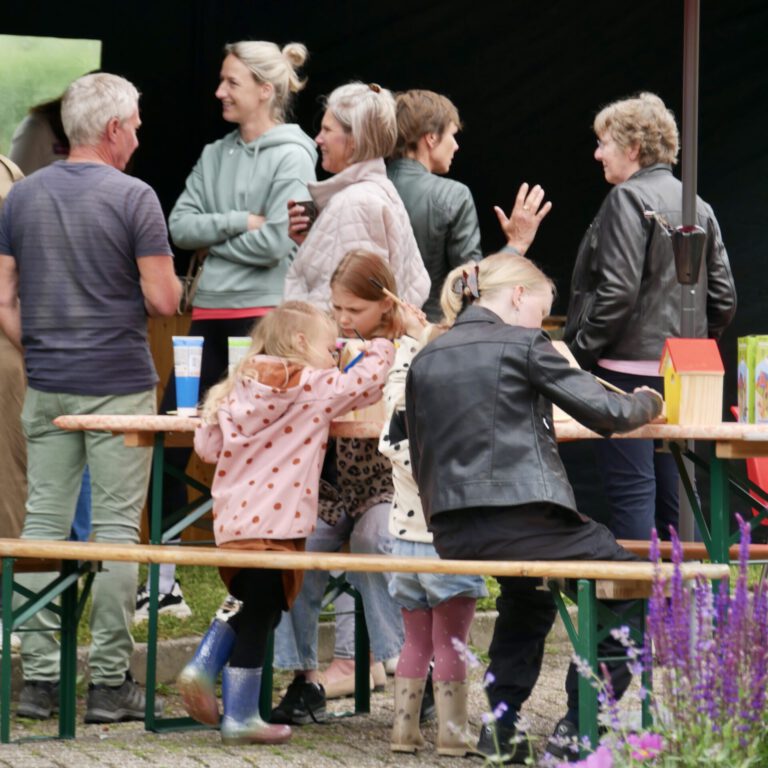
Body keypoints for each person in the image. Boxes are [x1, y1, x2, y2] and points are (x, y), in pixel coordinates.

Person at [405, 242, 665, 763]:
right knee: (635, 585)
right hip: (522, 518)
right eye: (541, 312)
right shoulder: (523, 344)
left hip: (452, 531)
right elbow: (606, 412)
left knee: (528, 596)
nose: (540, 323)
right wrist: (649, 400)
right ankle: (577, 728)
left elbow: (416, 446)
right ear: (518, 296)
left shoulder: (427, 354)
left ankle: (501, 728)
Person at [0, 73, 181, 722]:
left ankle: (40, 682)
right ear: (112, 130)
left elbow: (1, 298)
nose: (137, 135)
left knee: (42, 528)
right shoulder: (136, 197)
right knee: (113, 535)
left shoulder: (21, 197)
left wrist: (44, 341)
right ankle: (109, 684)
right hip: (119, 384)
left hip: (47, 384)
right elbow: (164, 300)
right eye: (133, 125)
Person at [135, 40, 318, 618]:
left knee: (260, 443)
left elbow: (276, 245)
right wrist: (241, 220)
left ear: (266, 90)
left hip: (264, 317)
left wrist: (229, 240)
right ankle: (159, 581)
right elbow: (179, 225)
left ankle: (260, 573)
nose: (219, 92)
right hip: (206, 315)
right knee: (170, 430)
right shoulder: (215, 153)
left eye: (230, 82)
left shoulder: (295, 154)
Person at [179, 301, 394, 745]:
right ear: (300, 343)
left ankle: (208, 668)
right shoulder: (311, 386)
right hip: (278, 526)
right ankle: (236, 711)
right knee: (260, 615)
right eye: (328, 345)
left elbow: (206, 446)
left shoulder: (238, 384)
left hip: (235, 522)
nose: (333, 354)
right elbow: (367, 382)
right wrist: (380, 344)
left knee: (250, 600)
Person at [563, 92, 736, 541]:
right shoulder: (699, 204)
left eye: (604, 143)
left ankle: (635, 611)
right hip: (685, 376)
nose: (598, 153)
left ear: (633, 148)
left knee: (631, 492)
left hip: (624, 377)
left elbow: (616, 293)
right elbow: (725, 298)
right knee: (680, 493)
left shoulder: (626, 199)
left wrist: (577, 352)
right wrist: (691, 341)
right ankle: (685, 606)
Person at [271, 251, 405, 722]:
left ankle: (406, 668)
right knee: (293, 549)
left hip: (385, 486)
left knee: (375, 540)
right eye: (338, 309)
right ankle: (303, 679)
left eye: (355, 310)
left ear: (385, 304)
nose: (345, 320)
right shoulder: (325, 343)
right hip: (330, 492)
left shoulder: (404, 344)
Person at [379, 300, 488, 756]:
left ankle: (403, 732)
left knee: (415, 643)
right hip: (449, 548)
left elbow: (395, 387)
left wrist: (410, 339)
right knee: (451, 644)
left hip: (402, 546)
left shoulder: (399, 420)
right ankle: (452, 734)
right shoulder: (464, 426)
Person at [283, 82, 430, 308]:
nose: (318, 139)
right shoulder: (380, 190)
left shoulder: (354, 202)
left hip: (346, 343)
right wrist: (313, 242)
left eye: (328, 130)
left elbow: (351, 305)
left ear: (353, 141)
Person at [387, 89, 481, 321]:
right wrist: (514, 248)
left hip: (368, 331)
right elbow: (469, 283)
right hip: (428, 331)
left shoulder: (364, 186)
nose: (456, 146)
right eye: (452, 134)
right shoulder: (455, 195)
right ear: (431, 137)